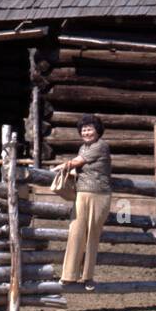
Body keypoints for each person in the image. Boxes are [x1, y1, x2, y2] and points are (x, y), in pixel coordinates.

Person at [58, 113, 112, 290]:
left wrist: (63, 166)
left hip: (99, 195)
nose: (86, 132)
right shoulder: (83, 147)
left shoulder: (101, 146)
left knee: (92, 236)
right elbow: (78, 163)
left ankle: (87, 277)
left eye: (89, 129)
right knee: (76, 232)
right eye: (83, 130)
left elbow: (77, 162)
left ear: (97, 131)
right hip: (82, 193)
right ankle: (68, 275)